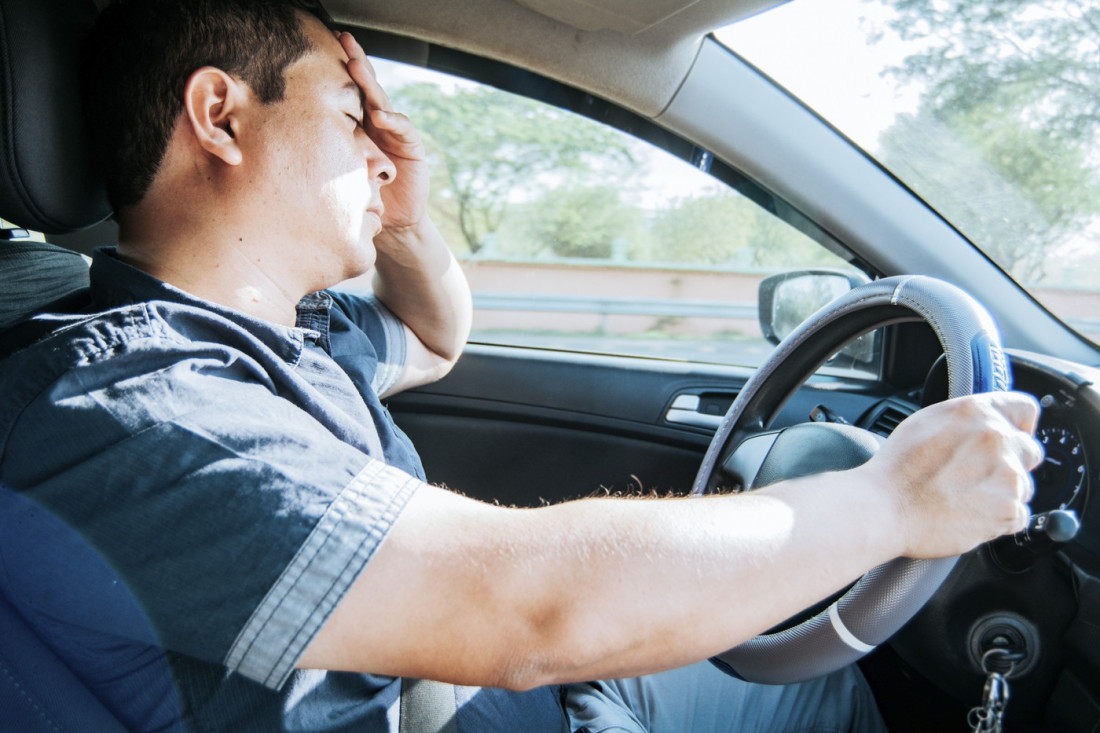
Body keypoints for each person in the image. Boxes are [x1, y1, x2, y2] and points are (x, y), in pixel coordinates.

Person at [0, 0, 1043, 730]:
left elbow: (435, 336)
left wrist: (399, 223)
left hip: (477, 701)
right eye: (351, 115)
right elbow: (524, 611)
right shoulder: (127, 403)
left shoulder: (281, 333)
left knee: (817, 690)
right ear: (220, 115)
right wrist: (893, 501)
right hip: (468, 698)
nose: (379, 149)